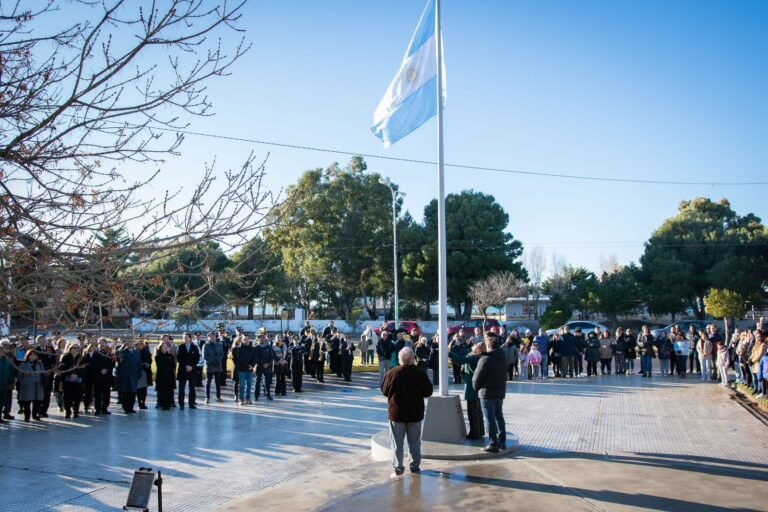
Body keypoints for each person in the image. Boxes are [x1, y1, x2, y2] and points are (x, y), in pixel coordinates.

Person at [380, 347, 434, 477]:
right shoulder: (420, 373)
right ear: (413, 358)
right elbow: (428, 391)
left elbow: (384, 391)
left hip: (396, 414)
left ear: (399, 359)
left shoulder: (392, 373)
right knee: (414, 442)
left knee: (397, 443)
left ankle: (398, 468)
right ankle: (415, 467)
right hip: (414, 413)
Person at [472, 333, 508, 453]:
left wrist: (476, 387)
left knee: (489, 418)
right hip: (500, 392)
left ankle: (493, 444)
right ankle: (502, 442)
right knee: (499, 416)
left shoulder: (485, 360)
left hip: (487, 393)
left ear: (489, 346)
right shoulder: (502, 357)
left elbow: (476, 379)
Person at [449, 342, 485, 440]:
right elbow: (463, 361)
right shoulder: (480, 358)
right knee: (478, 412)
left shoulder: (474, 358)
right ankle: (480, 432)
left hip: (471, 388)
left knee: (472, 412)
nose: (473, 347)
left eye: (475, 347)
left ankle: (475, 434)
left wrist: (449, 353)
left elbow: (462, 359)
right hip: (477, 388)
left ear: (478, 350)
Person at [57, 343, 85, 419]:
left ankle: (76, 411)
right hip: (67, 380)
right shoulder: (65, 357)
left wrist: (77, 375)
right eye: (74, 348)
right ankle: (68, 411)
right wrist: (70, 375)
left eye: (77, 348)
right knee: (67, 397)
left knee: (77, 396)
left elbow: (84, 368)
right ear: (70, 348)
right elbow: (62, 368)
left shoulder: (81, 357)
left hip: (77, 379)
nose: (76, 349)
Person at [115, 339, 142, 414]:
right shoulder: (123, 352)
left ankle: (131, 407)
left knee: (132, 393)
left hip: (134, 375)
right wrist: (122, 347)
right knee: (126, 393)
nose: (131, 344)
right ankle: (126, 408)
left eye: (132, 342)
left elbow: (139, 364)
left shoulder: (137, 352)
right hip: (125, 375)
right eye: (129, 343)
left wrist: (139, 374)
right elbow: (117, 355)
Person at [17, 349, 45, 422]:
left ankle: (35, 415)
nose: (33, 356)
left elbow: (43, 373)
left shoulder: (39, 363)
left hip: (38, 386)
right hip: (27, 386)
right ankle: (27, 416)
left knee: (37, 402)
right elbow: (19, 376)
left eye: (34, 354)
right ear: (28, 356)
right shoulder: (23, 364)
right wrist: (23, 381)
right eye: (31, 354)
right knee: (27, 403)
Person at [90, 338, 115, 415]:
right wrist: (100, 370)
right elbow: (93, 363)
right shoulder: (95, 352)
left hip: (107, 376)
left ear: (106, 343)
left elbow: (113, 363)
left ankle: (105, 408)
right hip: (98, 376)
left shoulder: (110, 353)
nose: (101, 344)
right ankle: (97, 409)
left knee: (106, 393)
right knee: (98, 394)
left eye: (103, 343)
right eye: (99, 343)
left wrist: (107, 369)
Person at [177, 332, 201, 409]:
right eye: (184, 337)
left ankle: (191, 403)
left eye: (187, 337)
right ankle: (181, 404)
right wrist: (186, 366)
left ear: (190, 338)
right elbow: (179, 358)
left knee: (192, 388)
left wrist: (192, 366)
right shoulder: (180, 347)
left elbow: (197, 358)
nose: (185, 339)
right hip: (183, 370)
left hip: (192, 370)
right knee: (181, 389)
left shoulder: (194, 347)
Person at [234, 336, 256, 405]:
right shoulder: (239, 349)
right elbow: (239, 359)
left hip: (250, 370)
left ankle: (248, 398)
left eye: (247, 339)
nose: (246, 341)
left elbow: (255, 358)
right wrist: (247, 366)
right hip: (242, 369)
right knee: (242, 385)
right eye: (244, 339)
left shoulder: (252, 349)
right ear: (242, 340)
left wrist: (252, 365)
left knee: (249, 385)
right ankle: (241, 399)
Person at [203, 332, 224, 403]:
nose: (213, 338)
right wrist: (212, 361)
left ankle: (218, 397)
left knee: (218, 382)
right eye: (211, 337)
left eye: (214, 336)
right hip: (210, 366)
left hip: (218, 366)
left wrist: (218, 360)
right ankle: (207, 397)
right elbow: (205, 356)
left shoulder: (219, 344)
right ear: (208, 337)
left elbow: (222, 354)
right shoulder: (206, 345)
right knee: (208, 382)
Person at [154, 342, 176, 410]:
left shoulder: (170, 356)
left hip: (169, 376)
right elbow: (161, 365)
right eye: (163, 347)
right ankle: (162, 403)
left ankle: (168, 403)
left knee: (169, 391)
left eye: (166, 347)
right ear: (160, 348)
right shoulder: (158, 356)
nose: (165, 348)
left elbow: (173, 365)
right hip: (162, 376)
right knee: (162, 391)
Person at [254, 335, 275, 400]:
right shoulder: (256, 348)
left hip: (267, 367)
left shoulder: (268, 347)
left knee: (267, 381)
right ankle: (256, 395)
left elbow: (271, 357)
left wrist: (268, 364)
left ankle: (268, 394)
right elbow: (255, 358)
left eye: (264, 338)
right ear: (258, 339)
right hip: (259, 367)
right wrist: (262, 364)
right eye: (261, 338)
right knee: (258, 381)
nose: (262, 339)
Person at [0, 339, 16, 423]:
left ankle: (3, 414)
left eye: (7, 345)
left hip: (5, 383)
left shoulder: (9, 358)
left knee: (3, 400)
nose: (6, 347)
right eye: (4, 345)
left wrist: (11, 381)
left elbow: (12, 370)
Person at [136, 339, 152, 410]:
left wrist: (146, 364)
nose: (139, 346)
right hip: (137, 372)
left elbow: (149, 360)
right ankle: (140, 403)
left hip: (145, 372)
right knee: (138, 389)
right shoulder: (135, 352)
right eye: (138, 344)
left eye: (141, 344)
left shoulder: (146, 352)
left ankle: (143, 402)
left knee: (144, 389)